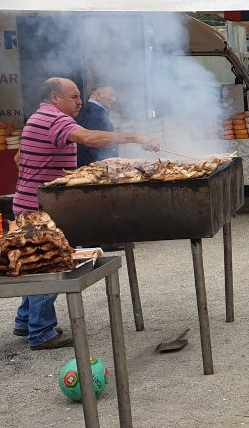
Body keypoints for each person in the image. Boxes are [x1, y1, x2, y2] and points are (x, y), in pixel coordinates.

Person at [13, 77, 159, 350]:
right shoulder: (55, 119)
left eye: (80, 96)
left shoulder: (38, 118)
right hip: (41, 208)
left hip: (29, 202)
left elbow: (18, 158)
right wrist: (136, 137)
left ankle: (26, 321)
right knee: (52, 264)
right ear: (55, 97)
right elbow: (89, 137)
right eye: (74, 96)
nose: (80, 101)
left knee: (36, 262)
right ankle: (41, 332)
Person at [75, 84, 118, 166]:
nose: (114, 99)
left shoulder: (89, 110)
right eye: (111, 95)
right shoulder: (94, 113)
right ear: (98, 96)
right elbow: (96, 142)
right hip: (93, 165)